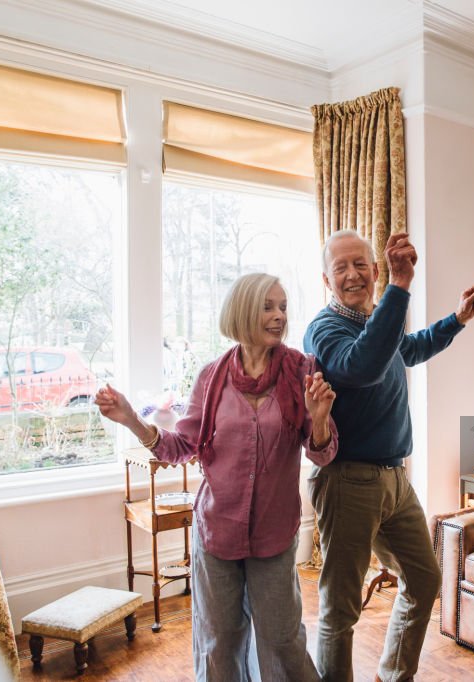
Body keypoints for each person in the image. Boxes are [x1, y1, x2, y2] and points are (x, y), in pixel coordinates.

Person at [96, 273, 338, 682]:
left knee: (282, 641)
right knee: (219, 643)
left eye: (283, 307)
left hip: (274, 534)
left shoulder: (301, 369)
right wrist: (132, 420)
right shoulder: (212, 377)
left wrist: (319, 420)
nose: (279, 316)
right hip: (216, 531)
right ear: (243, 310)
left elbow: (324, 453)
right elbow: (179, 448)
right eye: (268, 307)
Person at [303, 230, 474, 682]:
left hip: (395, 480)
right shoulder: (324, 330)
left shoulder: (377, 325)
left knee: (424, 579)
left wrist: (457, 319)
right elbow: (359, 367)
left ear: (375, 270)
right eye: (340, 267)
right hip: (347, 481)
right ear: (326, 279)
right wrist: (400, 289)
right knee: (340, 609)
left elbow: (412, 347)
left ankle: (392, 676)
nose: (351, 274)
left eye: (360, 264)